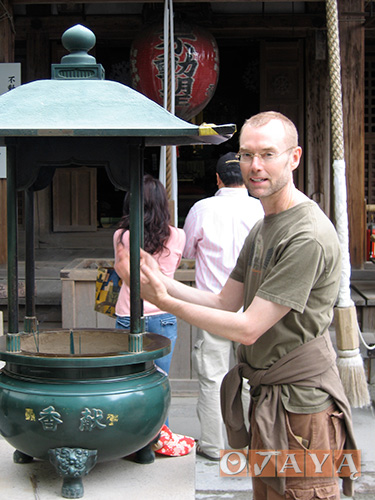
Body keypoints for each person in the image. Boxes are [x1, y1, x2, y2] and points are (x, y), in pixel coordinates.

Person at [115, 112, 358, 499]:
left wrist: (161, 299)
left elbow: (247, 326)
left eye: (268, 154)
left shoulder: (305, 235)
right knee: (267, 493)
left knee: (302, 493)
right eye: (246, 154)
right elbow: (224, 300)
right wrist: (160, 283)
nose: (255, 166)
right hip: (267, 401)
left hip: (304, 410)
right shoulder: (264, 226)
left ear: (293, 158)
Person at [183, 152, 264, 461]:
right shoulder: (259, 209)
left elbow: (188, 251)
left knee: (212, 377)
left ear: (217, 178)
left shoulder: (202, 209)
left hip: (212, 306)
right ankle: (253, 442)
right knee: (252, 376)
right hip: (254, 307)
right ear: (246, 174)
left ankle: (215, 446)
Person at [113, 174, 194, 458]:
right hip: (164, 314)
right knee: (159, 381)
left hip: (128, 314)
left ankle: (130, 440)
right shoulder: (179, 235)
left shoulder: (122, 236)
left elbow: (123, 273)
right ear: (162, 203)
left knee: (129, 380)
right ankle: (159, 438)